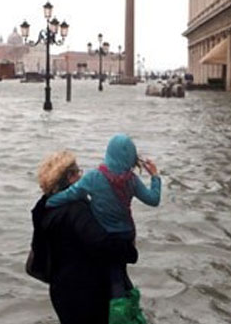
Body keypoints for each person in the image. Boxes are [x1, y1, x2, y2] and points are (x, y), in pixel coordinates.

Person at [46, 134, 161, 298]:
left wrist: (49, 202)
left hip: (104, 236)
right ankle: (129, 304)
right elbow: (153, 199)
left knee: (114, 277)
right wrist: (155, 176)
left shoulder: (94, 177)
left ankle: (118, 310)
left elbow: (71, 194)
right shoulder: (132, 180)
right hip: (127, 235)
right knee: (120, 271)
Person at [30, 150, 138, 324]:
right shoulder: (76, 210)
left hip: (60, 291)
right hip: (86, 294)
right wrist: (130, 250)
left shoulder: (42, 208)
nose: (81, 177)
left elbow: (40, 250)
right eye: (78, 172)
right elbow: (101, 243)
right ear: (70, 177)